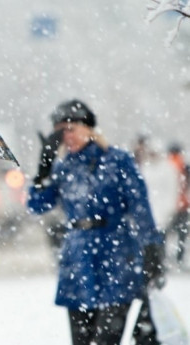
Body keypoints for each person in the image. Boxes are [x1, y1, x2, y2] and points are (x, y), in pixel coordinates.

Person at [27, 99, 165, 345]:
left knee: (106, 339)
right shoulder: (62, 167)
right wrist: (44, 168)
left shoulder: (117, 160)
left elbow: (140, 206)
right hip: (78, 259)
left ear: (88, 128)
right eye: (59, 131)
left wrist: (152, 248)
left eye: (71, 128)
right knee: (81, 340)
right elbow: (37, 205)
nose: (65, 136)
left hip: (116, 256)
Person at [166, 142, 190, 265]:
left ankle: (162, 259)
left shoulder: (166, 165)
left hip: (168, 206)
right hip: (183, 205)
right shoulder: (184, 165)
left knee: (165, 233)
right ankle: (179, 259)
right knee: (182, 235)